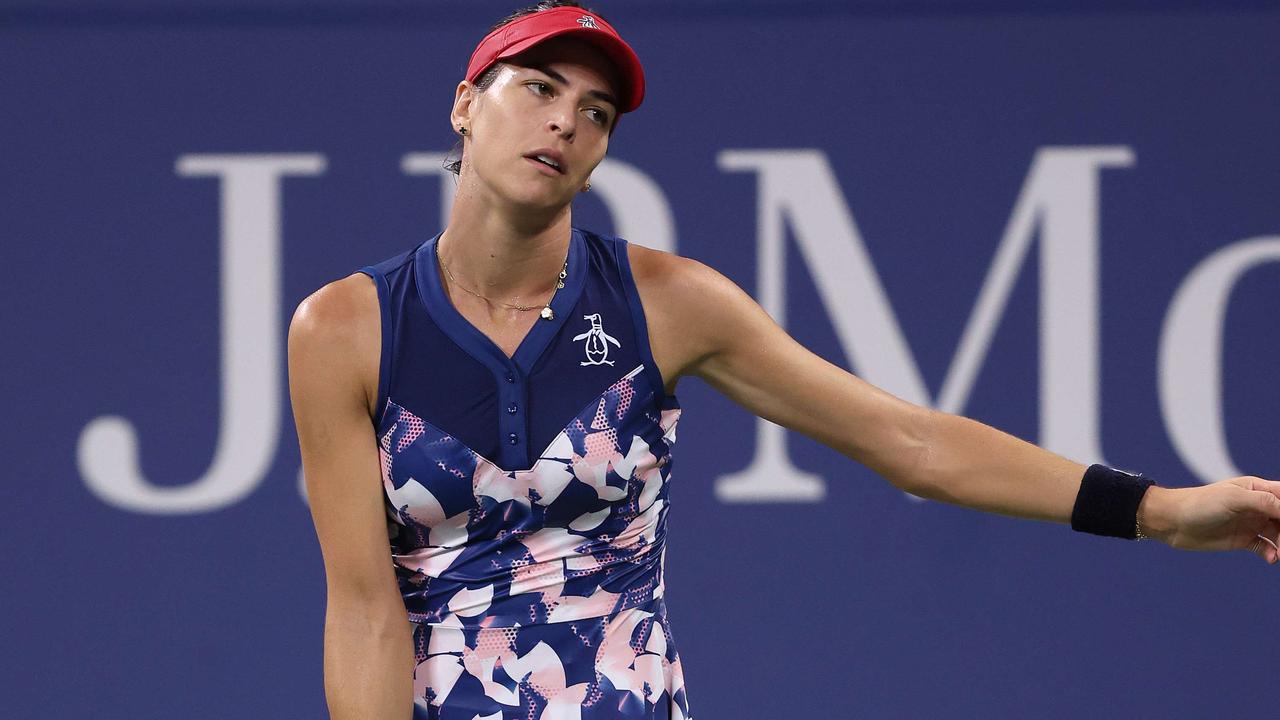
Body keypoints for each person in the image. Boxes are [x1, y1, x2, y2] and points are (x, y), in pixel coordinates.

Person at [286, 2, 1280, 718]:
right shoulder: (344, 331)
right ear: (465, 105)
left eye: (595, 111)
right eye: (538, 87)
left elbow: (909, 444)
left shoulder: (667, 304)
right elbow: (365, 611)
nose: (564, 120)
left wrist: (1161, 512)